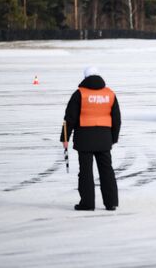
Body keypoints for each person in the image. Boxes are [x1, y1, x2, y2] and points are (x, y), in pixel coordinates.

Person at [60, 66, 121, 211]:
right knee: (107, 170)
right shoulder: (109, 94)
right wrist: (113, 138)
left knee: (85, 171)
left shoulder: (79, 94)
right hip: (104, 139)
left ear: (85, 77)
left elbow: (69, 118)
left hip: (84, 139)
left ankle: (87, 203)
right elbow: (117, 119)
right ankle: (111, 202)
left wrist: (65, 137)